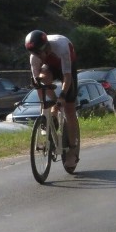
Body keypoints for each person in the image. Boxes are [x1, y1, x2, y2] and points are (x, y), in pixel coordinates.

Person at [24, 30, 79, 168]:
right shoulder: (34, 58)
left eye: (41, 52)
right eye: (36, 53)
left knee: (69, 110)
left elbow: (67, 77)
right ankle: (54, 109)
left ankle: (73, 151)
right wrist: (44, 107)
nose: (39, 55)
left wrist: (62, 96)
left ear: (47, 46)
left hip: (66, 67)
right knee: (42, 77)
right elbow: (38, 85)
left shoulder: (61, 46)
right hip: (50, 67)